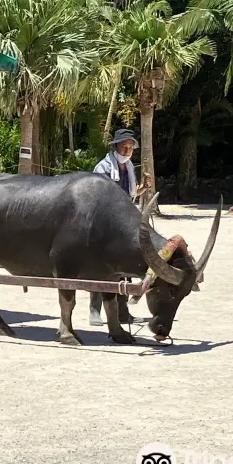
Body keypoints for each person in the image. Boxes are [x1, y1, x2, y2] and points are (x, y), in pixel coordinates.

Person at [88, 128, 152, 326]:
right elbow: (98, 197)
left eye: (130, 147)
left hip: (123, 224)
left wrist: (143, 188)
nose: (127, 150)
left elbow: (129, 195)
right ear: (115, 146)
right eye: (124, 146)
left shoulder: (129, 167)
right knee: (100, 269)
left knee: (124, 268)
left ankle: (124, 313)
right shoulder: (104, 167)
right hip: (104, 224)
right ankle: (94, 312)